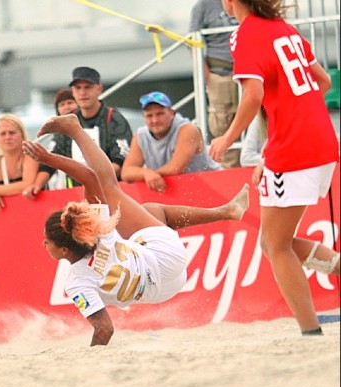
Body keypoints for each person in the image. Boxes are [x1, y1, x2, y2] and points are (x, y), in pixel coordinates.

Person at [24, 114, 250, 346]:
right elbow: (92, 177)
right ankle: (226, 212)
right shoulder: (97, 230)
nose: (43, 244)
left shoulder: (75, 282)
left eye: (46, 241)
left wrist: (93, 358)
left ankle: (228, 211)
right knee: (124, 196)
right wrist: (48, 158)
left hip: (164, 290)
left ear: (63, 249)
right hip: (167, 259)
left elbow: (104, 329)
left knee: (147, 209)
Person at [210, 0, 341, 336]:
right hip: (322, 139)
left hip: (295, 148)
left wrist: (227, 138)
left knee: (275, 245)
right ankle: (313, 323)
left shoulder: (246, 34)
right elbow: (322, 81)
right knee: (274, 242)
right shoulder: (284, 30)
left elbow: (253, 95)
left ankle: (310, 332)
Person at [23, 67, 133, 199]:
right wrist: (37, 185)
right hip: (76, 196)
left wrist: (93, 179)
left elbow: (121, 158)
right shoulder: (66, 121)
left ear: (99, 89)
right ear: (73, 92)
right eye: (78, 88)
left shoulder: (114, 119)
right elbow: (52, 156)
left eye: (87, 87)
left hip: (111, 194)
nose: (82, 92)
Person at [121, 91, 221, 192]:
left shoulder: (188, 129)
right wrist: (146, 173)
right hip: (180, 190)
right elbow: (126, 172)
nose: (155, 120)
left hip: (213, 187)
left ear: (172, 113)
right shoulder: (140, 135)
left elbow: (175, 168)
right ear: (144, 117)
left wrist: (151, 174)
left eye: (160, 114)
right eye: (149, 116)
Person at [190, 0, 242, 168]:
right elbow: (192, 41)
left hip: (248, 73)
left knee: (256, 120)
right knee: (222, 124)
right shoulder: (202, 6)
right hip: (219, 73)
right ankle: (228, 172)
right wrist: (207, 75)